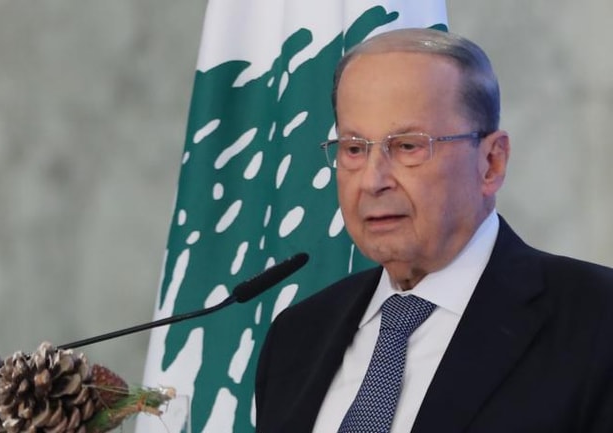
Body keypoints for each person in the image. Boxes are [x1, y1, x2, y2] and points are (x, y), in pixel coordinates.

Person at [255, 28, 613, 433]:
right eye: (354, 149)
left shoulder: (597, 320)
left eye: (408, 146)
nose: (372, 181)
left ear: (492, 163)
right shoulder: (296, 336)